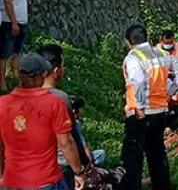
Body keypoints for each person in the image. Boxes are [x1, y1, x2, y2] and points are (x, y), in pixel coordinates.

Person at [0, 53, 85, 190]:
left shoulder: (3, 104)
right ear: (42, 75)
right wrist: (78, 172)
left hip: (13, 180)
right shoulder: (54, 103)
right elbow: (66, 142)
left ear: (17, 74)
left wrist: (2, 175)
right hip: (46, 180)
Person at [121, 25, 174, 190]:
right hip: (160, 111)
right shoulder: (162, 54)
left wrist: (139, 106)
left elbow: (138, 81)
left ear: (129, 42)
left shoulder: (133, 57)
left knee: (132, 156)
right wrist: (170, 91)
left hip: (140, 114)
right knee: (156, 153)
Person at [38, 44, 90, 189]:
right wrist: (79, 170)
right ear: (56, 70)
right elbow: (67, 140)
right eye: (63, 65)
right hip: (57, 166)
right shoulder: (59, 98)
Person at [0, 0, 38, 91]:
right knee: (4, 54)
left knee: (17, 52)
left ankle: (15, 77)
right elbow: (8, 1)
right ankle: (2, 82)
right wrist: (14, 23)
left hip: (21, 22)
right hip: (10, 22)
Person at [69, 96, 106, 167]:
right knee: (101, 154)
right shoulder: (76, 124)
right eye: (81, 108)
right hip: (75, 158)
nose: (82, 111)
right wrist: (89, 162)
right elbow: (83, 146)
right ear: (75, 110)